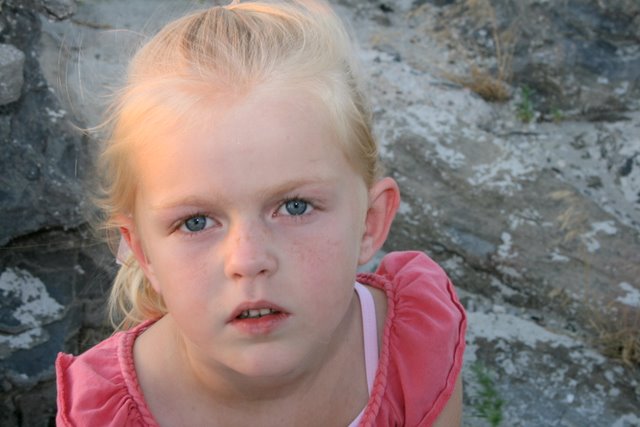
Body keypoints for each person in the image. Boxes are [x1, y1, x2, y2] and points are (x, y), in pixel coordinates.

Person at [55, 1, 466, 425]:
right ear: (144, 253)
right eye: (196, 222)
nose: (249, 260)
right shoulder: (100, 415)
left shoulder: (414, 351)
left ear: (370, 222)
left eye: (294, 206)